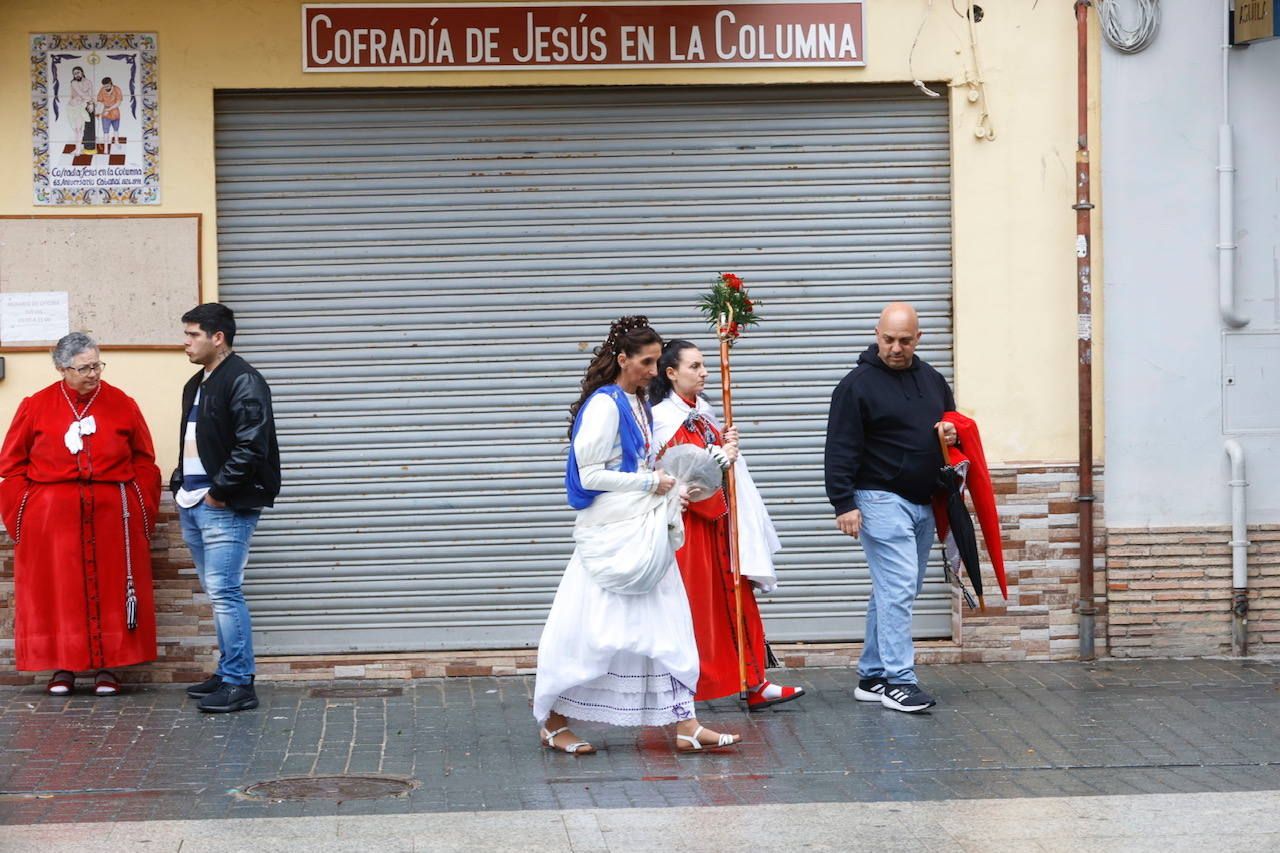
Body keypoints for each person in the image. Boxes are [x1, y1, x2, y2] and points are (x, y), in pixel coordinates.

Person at [532, 316, 740, 754]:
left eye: (656, 361)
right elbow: (589, 474)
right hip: (610, 537)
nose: (652, 369)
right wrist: (651, 484)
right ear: (622, 359)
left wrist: (706, 464)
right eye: (645, 362)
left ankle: (685, 721)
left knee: (670, 621)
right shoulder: (605, 405)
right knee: (587, 627)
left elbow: (647, 467)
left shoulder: (639, 403)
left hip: (642, 530)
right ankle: (552, 720)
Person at [0, 333, 161, 696]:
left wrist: (135, 507)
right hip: (53, 522)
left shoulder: (122, 403)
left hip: (111, 518)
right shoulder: (35, 405)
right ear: (61, 369)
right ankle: (63, 668)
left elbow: (144, 461)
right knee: (60, 593)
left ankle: (109, 668)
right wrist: (29, 513)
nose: (94, 374)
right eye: (84, 367)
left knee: (110, 591)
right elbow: (11, 466)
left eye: (97, 365)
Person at [650, 339, 804, 710]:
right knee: (694, 609)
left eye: (704, 365)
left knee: (739, 596)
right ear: (670, 373)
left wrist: (726, 446)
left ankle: (754, 680)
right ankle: (680, 690)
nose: (704, 373)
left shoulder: (704, 411)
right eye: (695, 366)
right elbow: (673, 474)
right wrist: (718, 457)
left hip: (720, 521)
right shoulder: (660, 419)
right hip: (690, 530)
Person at [823, 303, 958, 714]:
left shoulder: (932, 380)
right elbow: (840, 447)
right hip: (877, 497)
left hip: (921, 501)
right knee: (899, 587)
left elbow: (948, 424)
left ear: (918, 339)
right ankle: (900, 681)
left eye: (904, 340)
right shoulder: (856, 385)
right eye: (888, 339)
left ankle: (872, 673)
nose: (895, 348)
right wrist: (843, 502)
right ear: (876, 334)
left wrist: (949, 432)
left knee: (898, 589)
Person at [174, 303, 280, 714]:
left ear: (218, 337)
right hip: (194, 501)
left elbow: (253, 444)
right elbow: (194, 440)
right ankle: (228, 670)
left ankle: (240, 683)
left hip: (224, 504)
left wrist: (219, 491)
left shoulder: (244, 380)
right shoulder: (196, 383)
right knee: (218, 594)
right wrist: (180, 480)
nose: (186, 342)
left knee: (225, 591)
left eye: (193, 334)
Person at [64, 66, 94, 149]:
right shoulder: (73, 82)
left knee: (79, 129)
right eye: (74, 74)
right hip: (71, 107)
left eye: (78, 72)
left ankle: (77, 149)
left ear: (82, 72)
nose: (76, 75)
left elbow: (91, 95)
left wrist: (91, 102)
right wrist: (90, 101)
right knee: (75, 130)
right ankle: (78, 147)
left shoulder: (88, 82)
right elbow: (81, 94)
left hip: (80, 107)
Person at [96, 77, 123, 146]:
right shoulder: (102, 90)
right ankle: (106, 147)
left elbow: (118, 103)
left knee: (116, 129)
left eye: (107, 86)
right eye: (104, 86)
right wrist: (98, 112)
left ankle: (116, 142)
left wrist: (109, 109)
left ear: (111, 83)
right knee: (105, 131)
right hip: (105, 113)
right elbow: (99, 102)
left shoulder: (117, 89)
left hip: (115, 112)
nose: (106, 88)